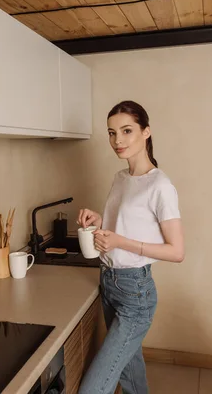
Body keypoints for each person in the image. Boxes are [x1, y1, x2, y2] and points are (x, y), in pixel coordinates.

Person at [77, 100, 185, 394]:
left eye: (126, 131)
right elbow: (121, 226)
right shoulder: (120, 178)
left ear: (146, 132)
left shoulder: (160, 186)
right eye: (112, 133)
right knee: (130, 372)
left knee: (92, 389)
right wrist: (99, 221)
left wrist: (120, 241)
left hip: (135, 292)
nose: (117, 140)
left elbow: (176, 251)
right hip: (109, 282)